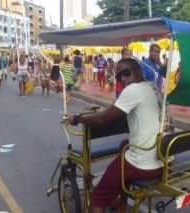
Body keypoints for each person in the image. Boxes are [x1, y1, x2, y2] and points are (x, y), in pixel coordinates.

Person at [69, 58, 163, 213]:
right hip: (162, 158)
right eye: (119, 76)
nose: (123, 79)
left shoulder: (134, 90)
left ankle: (110, 197)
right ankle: (121, 205)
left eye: (126, 73)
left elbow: (101, 119)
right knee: (124, 144)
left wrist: (78, 118)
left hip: (141, 164)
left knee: (97, 198)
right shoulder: (153, 88)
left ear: (138, 71)